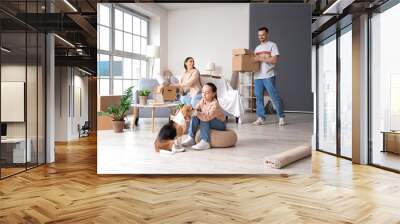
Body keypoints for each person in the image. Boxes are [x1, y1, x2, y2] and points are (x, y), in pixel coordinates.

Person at [252, 26, 286, 126]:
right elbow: (254, 63)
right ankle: (260, 118)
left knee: (274, 96)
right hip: (257, 76)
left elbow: (274, 60)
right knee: (258, 98)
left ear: (267, 34)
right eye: (259, 35)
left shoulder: (272, 45)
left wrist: (260, 59)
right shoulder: (257, 48)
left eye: (263, 35)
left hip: (268, 75)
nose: (261, 37)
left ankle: (281, 117)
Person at [181, 83, 226, 150]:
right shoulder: (202, 100)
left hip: (219, 123)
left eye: (207, 93)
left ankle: (205, 141)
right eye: (202, 92)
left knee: (204, 118)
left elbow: (207, 117)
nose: (204, 95)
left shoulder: (215, 104)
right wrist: (191, 111)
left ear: (213, 94)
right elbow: (196, 109)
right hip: (208, 119)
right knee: (195, 115)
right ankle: (191, 137)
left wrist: (197, 113)